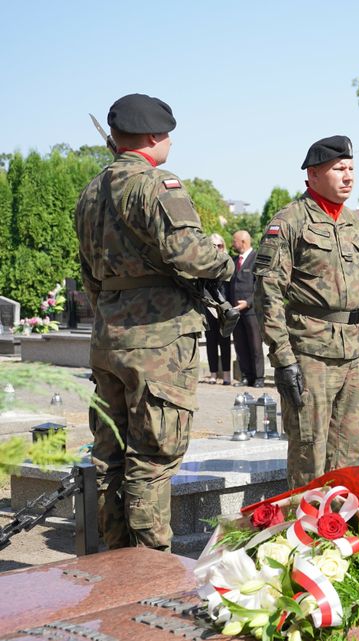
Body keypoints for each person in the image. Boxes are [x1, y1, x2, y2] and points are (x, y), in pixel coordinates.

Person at [74, 93, 234, 551]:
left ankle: (115, 562)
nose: (169, 144)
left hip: (109, 336)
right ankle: (149, 572)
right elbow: (190, 253)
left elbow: (90, 273)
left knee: (109, 458)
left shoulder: (90, 192)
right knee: (152, 457)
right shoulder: (155, 184)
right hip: (158, 342)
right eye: (167, 136)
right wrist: (221, 256)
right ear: (152, 137)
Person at [254, 135, 359, 488]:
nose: (348, 176)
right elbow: (268, 293)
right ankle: (308, 535)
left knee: (351, 454)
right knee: (311, 451)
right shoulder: (290, 221)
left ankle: (344, 532)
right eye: (339, 168)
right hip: (310, 354)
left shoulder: (357, 223)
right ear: (312, 175)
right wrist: (283, 359)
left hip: (354, 353)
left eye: (352, 168)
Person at [229, 230, 263, 387]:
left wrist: (248, 302)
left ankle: (259, 378)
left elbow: (260, 286)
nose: (232, 244)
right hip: (236, 311)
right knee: (240, 344)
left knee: (255, 344)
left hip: (251, 311)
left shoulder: (256, 259)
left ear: (243, 242)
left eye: (234, 241)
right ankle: (246, 376)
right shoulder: (234, 260)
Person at [203, 233, 233, 386]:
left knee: (225, 341)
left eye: (219, 245)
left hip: (226, 307)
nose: (217, 248)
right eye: (213, 246)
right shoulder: (206, 264)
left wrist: (229, 307)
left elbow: (232, 287)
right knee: (211, 342)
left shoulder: (228, 262)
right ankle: (213, 374)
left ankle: (227, 375)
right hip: (209, 308)